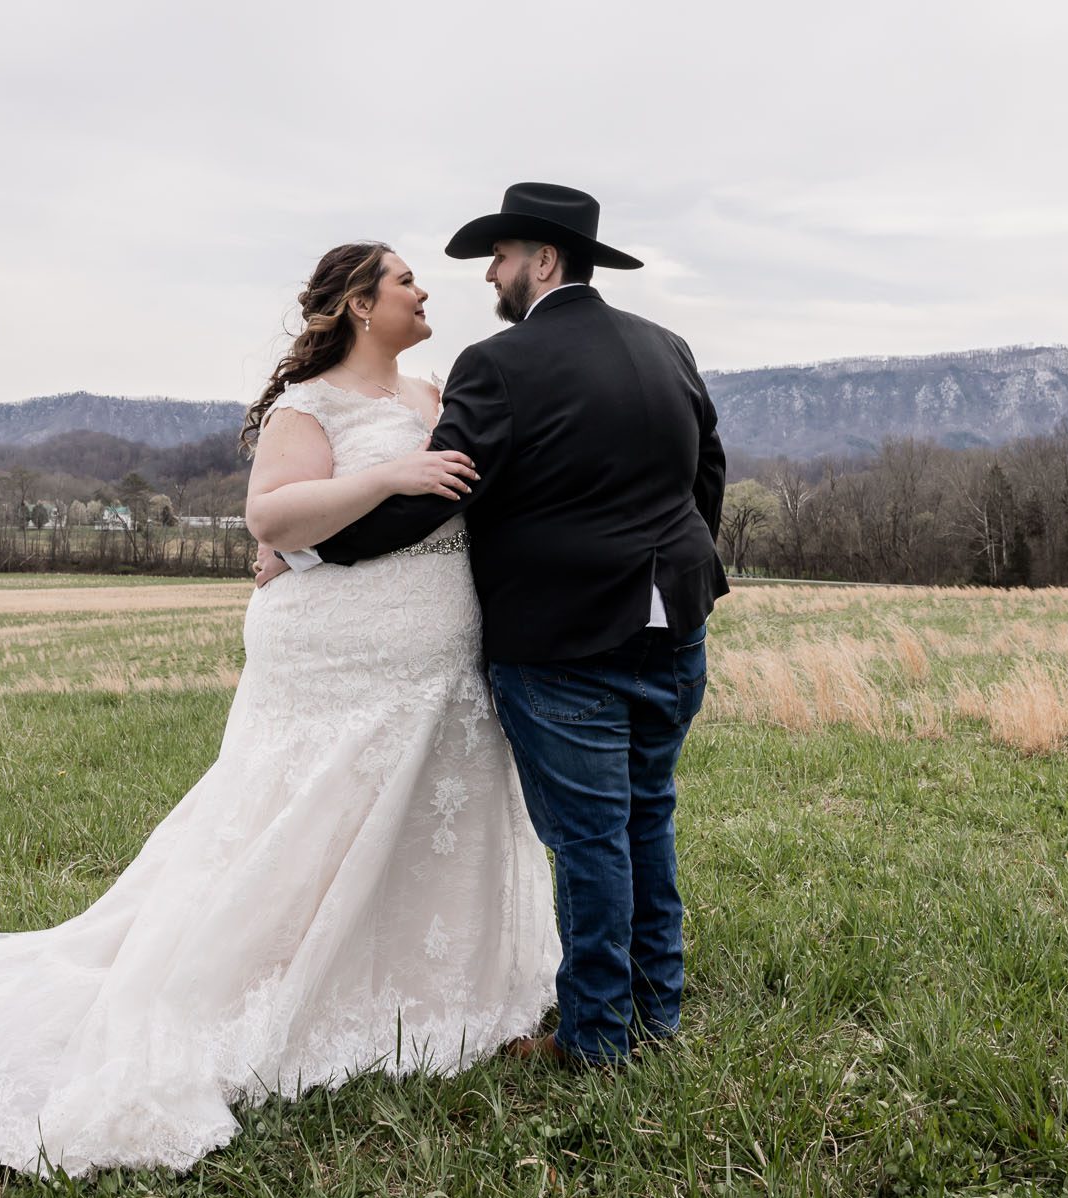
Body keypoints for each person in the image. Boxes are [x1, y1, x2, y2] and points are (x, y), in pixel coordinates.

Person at [0, 241, 559, 1178]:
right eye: (405, 278)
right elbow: (271, 517)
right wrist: (384, 479)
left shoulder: (435, 396)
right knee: (311, 818)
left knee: (424, 809)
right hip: (338, 651)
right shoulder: (308, 406)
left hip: (439, 645)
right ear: (363, 305)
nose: (424, 290)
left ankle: (431, 983)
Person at [272, 182, 727, 1067]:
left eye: (502, 256)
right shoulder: (667, 347)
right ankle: (657, 1011)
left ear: (543, 261)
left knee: (592, 838)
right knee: (648, 817)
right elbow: (704, 474)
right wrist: (679, 569)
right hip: (677, 628)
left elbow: (435, 491)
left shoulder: (499, 365)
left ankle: (597, 1041)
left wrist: (311, 549)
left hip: (566, 640)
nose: (490, 274)